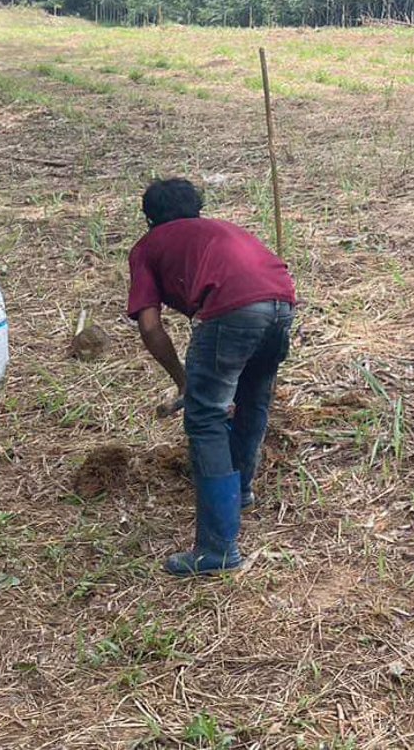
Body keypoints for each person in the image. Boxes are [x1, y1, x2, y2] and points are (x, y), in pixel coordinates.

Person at [126, 178, 296, 576]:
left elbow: (149, 326)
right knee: (253, 401)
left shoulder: (148, 246)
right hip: (282, 304)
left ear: (148, 219)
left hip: (231, 311)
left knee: (205, 418)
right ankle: (240, 491)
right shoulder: (224, 229)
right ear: (198, 209)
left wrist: (182, 380)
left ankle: (217, 548)